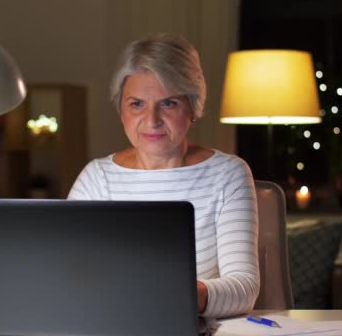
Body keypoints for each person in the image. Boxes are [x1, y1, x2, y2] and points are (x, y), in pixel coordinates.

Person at [67, 34, 259, 318]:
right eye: (137, 104)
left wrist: (176, 295)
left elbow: (244, 289)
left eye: (168, 103)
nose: (152, 119)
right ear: (121, 109)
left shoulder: (228, 174)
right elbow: (67, 272)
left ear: (193, 108)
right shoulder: (97, 177)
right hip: (111, 327)